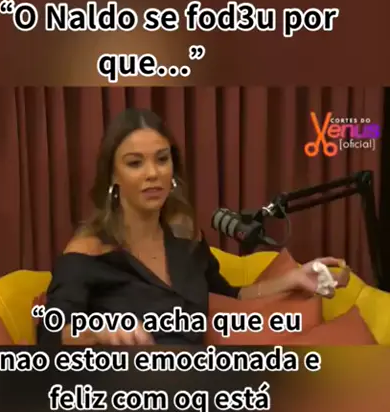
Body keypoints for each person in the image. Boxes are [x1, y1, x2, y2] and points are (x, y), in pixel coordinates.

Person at [38, 108, 345, 346]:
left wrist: (293, 279)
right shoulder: (89, 249)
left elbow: (229, 295)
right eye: (135, 163)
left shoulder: (185, 237)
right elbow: (49, 332)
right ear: (113, 176)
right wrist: (99, 332)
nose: (153, 173)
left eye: (162, 159)